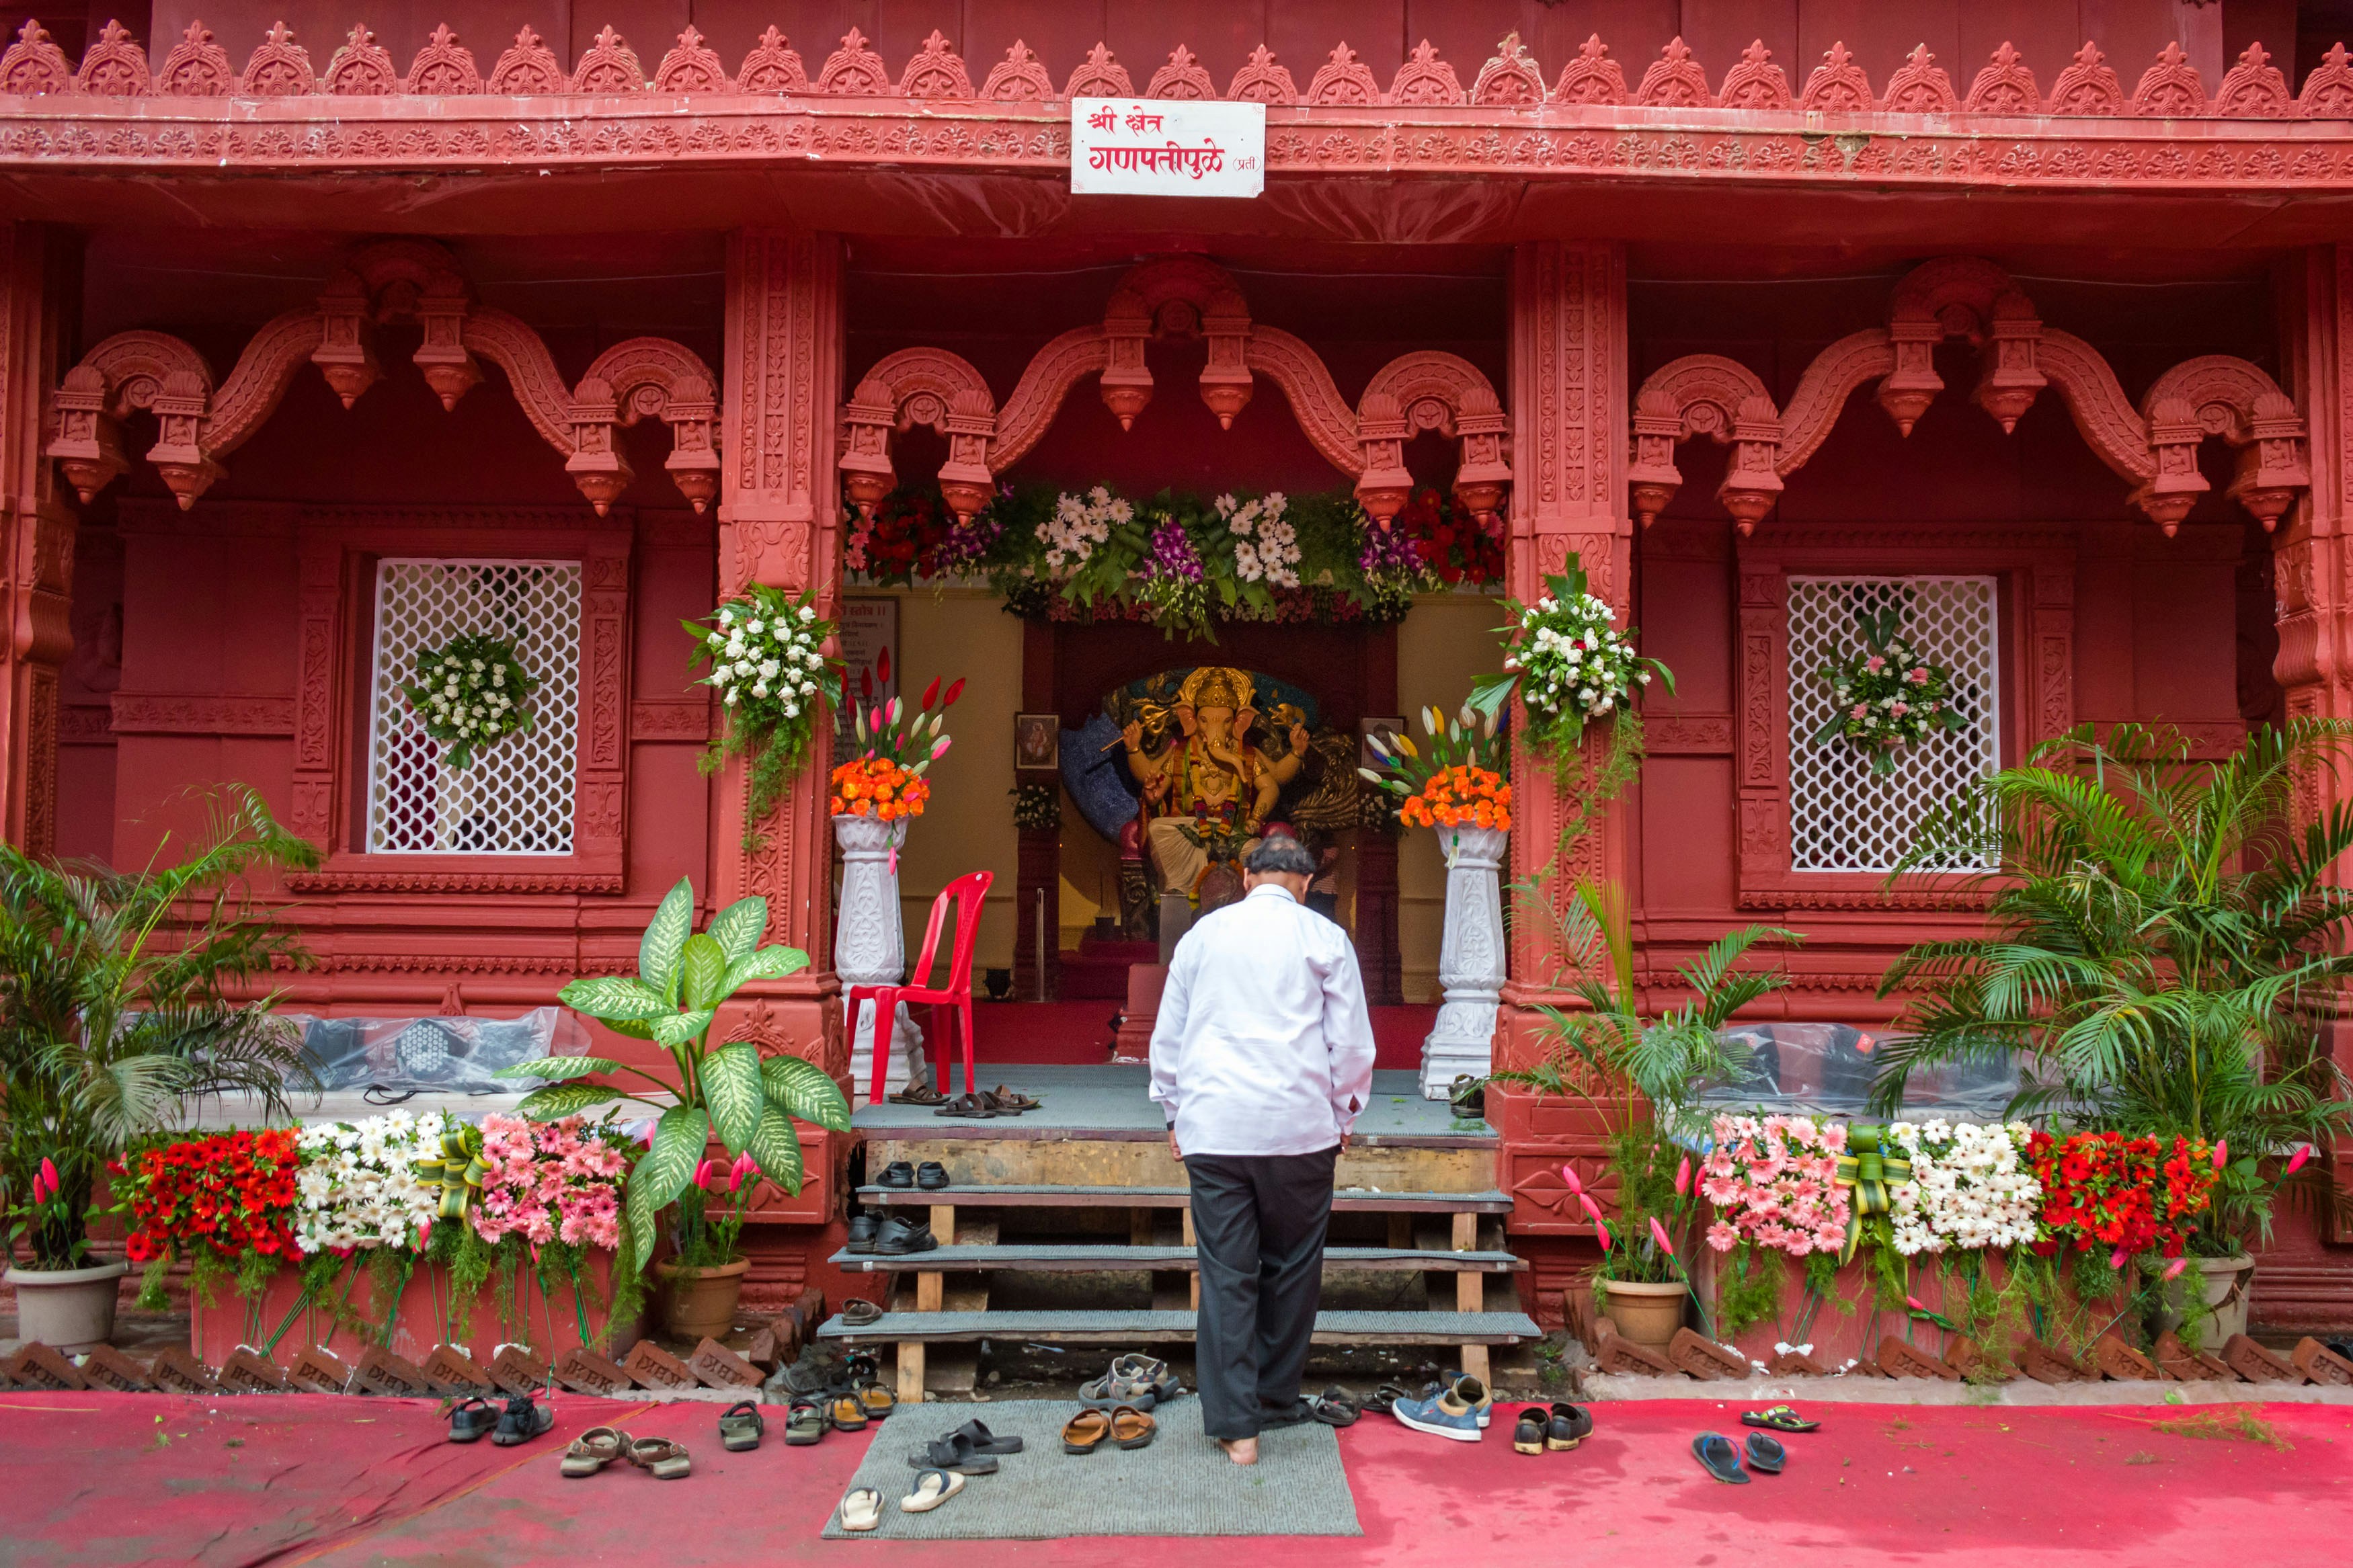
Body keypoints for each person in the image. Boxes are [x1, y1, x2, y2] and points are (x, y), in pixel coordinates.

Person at [1148, 835, 1378, 1466]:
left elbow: (1169, 1036)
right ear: (1304, 883)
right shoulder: (1324, 938)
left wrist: (1172, 1109)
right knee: (1294, 1265)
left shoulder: (1201, 937)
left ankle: (1236, 1426)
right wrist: (1345, 1111)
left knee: (1227, 1272)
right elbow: (1352, 1044)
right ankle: (1275, 1397)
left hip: (1216, 1127)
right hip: (1299, 1128)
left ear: (1247, 877)